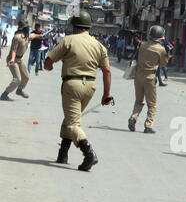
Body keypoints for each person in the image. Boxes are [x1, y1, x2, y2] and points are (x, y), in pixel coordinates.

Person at [44, 10, 112, 172]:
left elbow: (48, 60)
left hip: (72, 85)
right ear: (88, 26)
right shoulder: (99, 45)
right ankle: (63, 154)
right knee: (71, 118)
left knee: (73, 122)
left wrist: (49, 66)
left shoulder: (69, 40)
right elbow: (107, 71)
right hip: (90, 87)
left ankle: (89, 153)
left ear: (74, 26)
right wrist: (106, 95)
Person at [128, 25, 170, 134]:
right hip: (150, 78)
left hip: (138, 76)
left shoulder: (142, 45)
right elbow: (164, 63)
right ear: (161, 36)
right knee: (152, 104)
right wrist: (167, 55)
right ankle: (148, 126)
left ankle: (133, 117)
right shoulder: (161, 49)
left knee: (138, 101)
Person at [1, 19, 40, 101]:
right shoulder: (17, 37)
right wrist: (12, 59)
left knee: (26, 76)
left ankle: (19, 90)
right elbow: (13, 50)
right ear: (22, 28)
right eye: (27, 27)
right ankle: (4, 95)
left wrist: (40, 36)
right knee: (17, 79)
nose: (28, 28)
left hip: (20, 59)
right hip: (13, 59)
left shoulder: (26, 36)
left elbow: (34, 35)